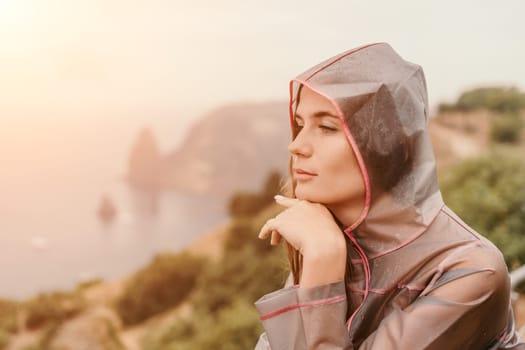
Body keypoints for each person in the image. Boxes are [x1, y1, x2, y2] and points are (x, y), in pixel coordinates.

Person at [254, 43, 525, 349]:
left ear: (392, 148)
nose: (297, 146)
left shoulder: (471, 270)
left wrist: (323, 264)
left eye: (328, 127)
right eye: (300, 124)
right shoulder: (328, 235)